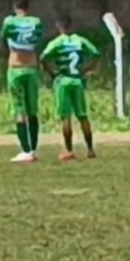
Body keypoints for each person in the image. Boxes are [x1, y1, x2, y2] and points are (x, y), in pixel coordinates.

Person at [41, 15, 100, 160]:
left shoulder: (56, 42)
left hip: (63, 80)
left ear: (58, 27)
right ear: (71, 25)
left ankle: (69, 150)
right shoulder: (79, 40)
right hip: (77, 80)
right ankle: (91, 149)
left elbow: (43, 57)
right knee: (82, 115)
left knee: (65, 116)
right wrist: (86, 70)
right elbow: (96, 53)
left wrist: (52, 73)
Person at [0, 0, 44, 163]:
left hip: (16, 68)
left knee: (19, 110)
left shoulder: (9, 22)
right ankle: (33, 149)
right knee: (32, 111)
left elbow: (4, 37)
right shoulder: (36, 22)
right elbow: (37, 38)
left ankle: (25, 150)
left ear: (14, 7)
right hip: (32, 67)